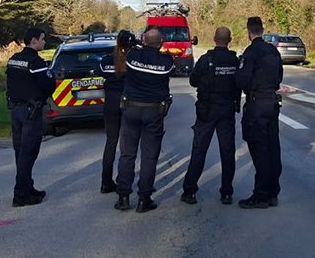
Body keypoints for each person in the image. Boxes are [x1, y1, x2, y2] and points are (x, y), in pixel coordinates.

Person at [114, 28, 174, 213]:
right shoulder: (166, 61)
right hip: (153, 112)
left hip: (131, 109)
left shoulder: (133, 56)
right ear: (161, 42)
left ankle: (123, 196)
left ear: (144, 40)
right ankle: (144, 198)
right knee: (149, 156)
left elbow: (123, 57)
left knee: (127, 154)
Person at [181, 26, 241, 205]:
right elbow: (240, 82)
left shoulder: (206, 59)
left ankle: (189, 191)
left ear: (214, 39)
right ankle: (227, 192)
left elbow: (193, 81)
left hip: (206, 111)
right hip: (227, 111)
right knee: (227, 152)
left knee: (199, 151)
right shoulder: (234, 61)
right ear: (229, 40)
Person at [234, 16, 283, 209]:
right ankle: (272, 193)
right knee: (273, 148)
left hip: (257, 104)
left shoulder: (251, 52)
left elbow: (241, 80)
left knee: (259, 149)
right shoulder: (272, 51)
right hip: (272, 102)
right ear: (262, 30)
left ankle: (260, 195)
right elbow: (279, 76)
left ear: (249, 31)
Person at [6, 27, 56, 208]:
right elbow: (48, 86)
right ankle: (20, 195)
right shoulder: (35, 62)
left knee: (20, 152)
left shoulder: (14, 60)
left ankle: (28, 187)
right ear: (34, 41)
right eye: (42, 39)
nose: (44, 42)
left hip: (16, 110)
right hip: (30, 112)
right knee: (28, 152)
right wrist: (51, 76)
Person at [98, 30, 136, 194]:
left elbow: (101, 72)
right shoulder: (133, 60)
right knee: (127, 145)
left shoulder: (106, 60)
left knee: (111, 142)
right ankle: (123, 180)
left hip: (110, 103)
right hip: (128, 103)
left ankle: (106, 182)